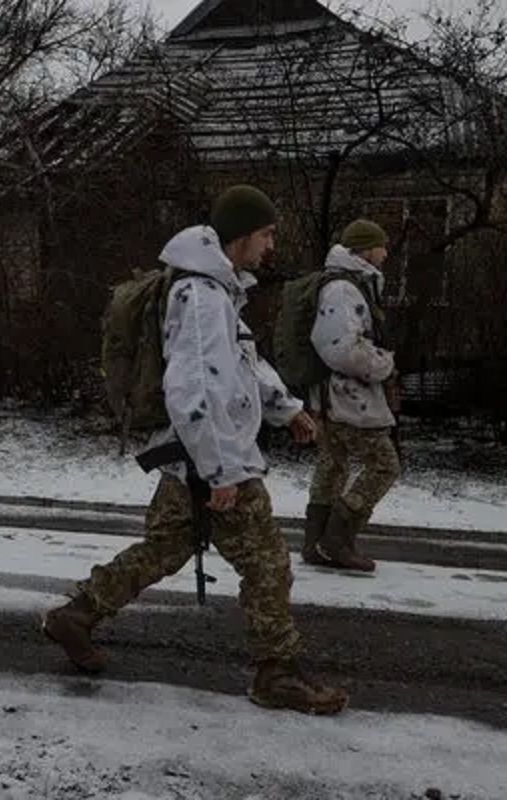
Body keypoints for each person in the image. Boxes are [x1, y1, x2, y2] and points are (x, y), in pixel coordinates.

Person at [42, 186, 349, 715]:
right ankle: (276, 673)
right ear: (240, 235)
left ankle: (77, 615)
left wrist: (287, 408)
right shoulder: (202, 297)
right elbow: (194, 389)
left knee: (164, 548)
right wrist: (219, 471)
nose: (271, 245)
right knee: (269, 564)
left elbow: (243, 364)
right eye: (266, 234)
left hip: (191, 455)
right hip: (210, 457)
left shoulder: (216, 290)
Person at [303, 219, 401, 573]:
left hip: (334, 397)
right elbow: (343, 349)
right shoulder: (343, 290)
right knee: (385, 466)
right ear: (365, 249)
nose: (386, 253)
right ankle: (337, 539)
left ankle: (316, 543)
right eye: (381, 245)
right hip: (348, 399)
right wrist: (384, 365)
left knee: (333, 465)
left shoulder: (349, 285)